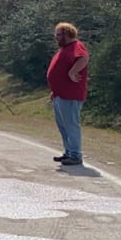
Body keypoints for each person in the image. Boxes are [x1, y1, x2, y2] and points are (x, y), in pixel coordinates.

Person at [46, 22, 90, 166]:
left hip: (70, 95)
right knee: (63, 125)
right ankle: (69, 152)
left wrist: (73, 72)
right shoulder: (65, 49)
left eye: (58, 35)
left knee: (71, 124)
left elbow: (84, 58)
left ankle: (76, 154)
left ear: (67, 34)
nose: (56, 38)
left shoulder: (76, 46)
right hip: (60, 94)